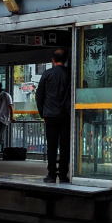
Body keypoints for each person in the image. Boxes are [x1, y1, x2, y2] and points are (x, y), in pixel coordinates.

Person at [36, 48, 71, 183]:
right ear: (66, 60)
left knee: (51, 145)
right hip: (66, 116)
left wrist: (42, 113)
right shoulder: (70, 74)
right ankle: (63, 174)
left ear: (53, 60)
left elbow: (39, 95)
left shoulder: (46, 74)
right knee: (64, 145)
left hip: (50, 115)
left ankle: (51, 174)